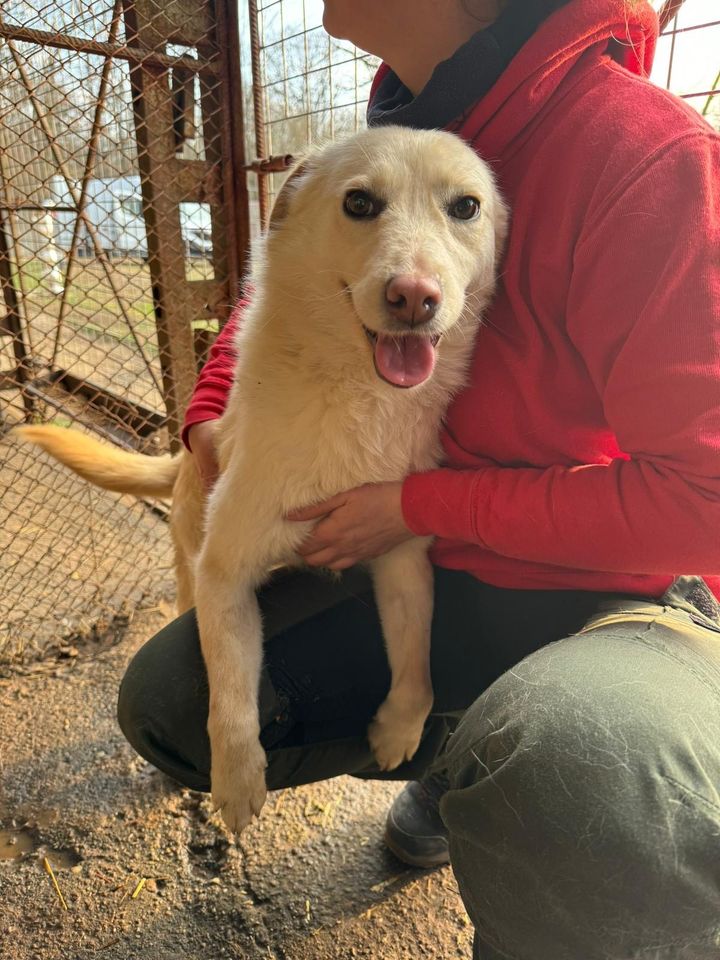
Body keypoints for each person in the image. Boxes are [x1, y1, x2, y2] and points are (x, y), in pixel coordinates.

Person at [118, 1, 720, 956]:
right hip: (445, 557)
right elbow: (297, 272)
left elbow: (705, 506)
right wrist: (214, 407)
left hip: (618, 588)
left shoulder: (642, 154)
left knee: (585, 775)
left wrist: (411, 505)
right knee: (171, 704)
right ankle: (471, 746)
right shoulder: (410, 124)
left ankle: (519, 750)